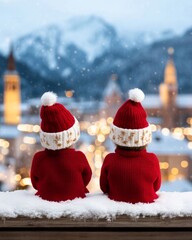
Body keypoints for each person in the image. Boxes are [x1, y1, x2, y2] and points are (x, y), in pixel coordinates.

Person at [100, 88, 161, 203]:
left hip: (116, 214)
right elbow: (156, 187)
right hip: (148, 215)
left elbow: (104, 188)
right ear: (145, 137)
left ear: (116, 137)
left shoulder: (110, 160)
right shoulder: (152, 160)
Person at [30, 91, 92, 202]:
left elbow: (35, 184)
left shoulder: (38, 158)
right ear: (72, 136)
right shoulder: (79, 157)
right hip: (76, 207)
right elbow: (86, 178)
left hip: (45, 209)